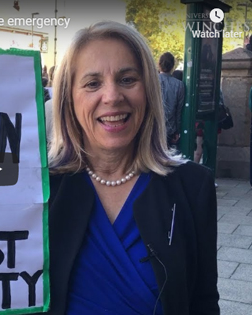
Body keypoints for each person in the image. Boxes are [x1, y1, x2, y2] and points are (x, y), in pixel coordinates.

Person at [45, 21, 219, 314]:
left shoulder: (193, 186)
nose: (112, 96)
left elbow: (203, 302)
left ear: (148, 91)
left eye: (127, 79)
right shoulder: (38, 187)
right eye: (92, 83)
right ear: (68, 99)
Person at [158, 52, 185, 151]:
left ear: (159, 64)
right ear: (173, 66)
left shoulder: (152, 81)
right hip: (170, 129)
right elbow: (179, 110)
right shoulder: (179, 85)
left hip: (152, 128)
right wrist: (177, 131)